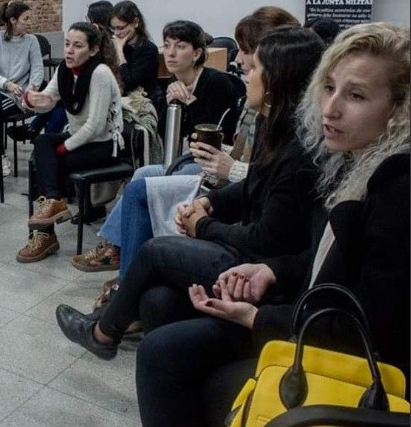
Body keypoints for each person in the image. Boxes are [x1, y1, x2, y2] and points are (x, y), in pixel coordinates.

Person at [136, 21, 410, 427]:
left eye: (355, 95)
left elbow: (366, 327)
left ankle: (107, 327)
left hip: (345, 359)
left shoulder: (396, 186)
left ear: (398, 108)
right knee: (159, 303)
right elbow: (323, 258)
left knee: (165, 349)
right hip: (301, 307)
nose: (330, 108)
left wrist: (255, 316)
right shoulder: (343, 156)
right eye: (329, 88)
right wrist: (271, 270)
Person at [55, 27, 325, 360]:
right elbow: (252, 183)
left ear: (276, 82)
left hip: (263, 267)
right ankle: (141, 329)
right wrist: (210, 202)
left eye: (255, 67)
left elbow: (266, 237)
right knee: (156, 300)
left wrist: (203, 226)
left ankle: (102, 333)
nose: (244, 69)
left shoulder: (297, 149)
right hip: (244, 237)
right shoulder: (273, 126)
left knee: (156, 249)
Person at [74, 8, 300, 311]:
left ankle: (124, 284)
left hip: (216, 171)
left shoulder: (222, 86)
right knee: (143, 174)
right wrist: (170, 105)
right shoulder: (248, 103)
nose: (169, 53)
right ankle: (118, 251)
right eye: (167, 45)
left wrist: (191, 107)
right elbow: (175, 139)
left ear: (197, 53)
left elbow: (220, 143)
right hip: (208, 166)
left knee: (144, 187)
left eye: (179, 46)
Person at [15, 22, 123, 263]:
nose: (69, 51)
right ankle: (54, 202)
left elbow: (95, 126)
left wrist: (64, 147)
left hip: (103, 145)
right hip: (79, 138)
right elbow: (49, 101)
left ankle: (45, 235)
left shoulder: (100, 74)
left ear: (93, 50)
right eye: (66, 44)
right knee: (42, 143)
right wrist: (32, 99)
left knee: (51, 163)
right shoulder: (65, 69)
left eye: (77, 45)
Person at [0, 1, 44, 186]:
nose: (29, 22)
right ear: (13, 20)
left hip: (18, 96)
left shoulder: (31, 41)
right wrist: (5, 83)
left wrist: (30, 92)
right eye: (26, 19)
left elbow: (37, 70)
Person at [109, 0, 160, 101]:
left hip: (142, 104)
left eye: (121, 28)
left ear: (135, 23)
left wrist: (119, 52)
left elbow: (129, 84)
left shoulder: (148, 49)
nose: (116, 33)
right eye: (113, 28)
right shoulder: (112, 44)